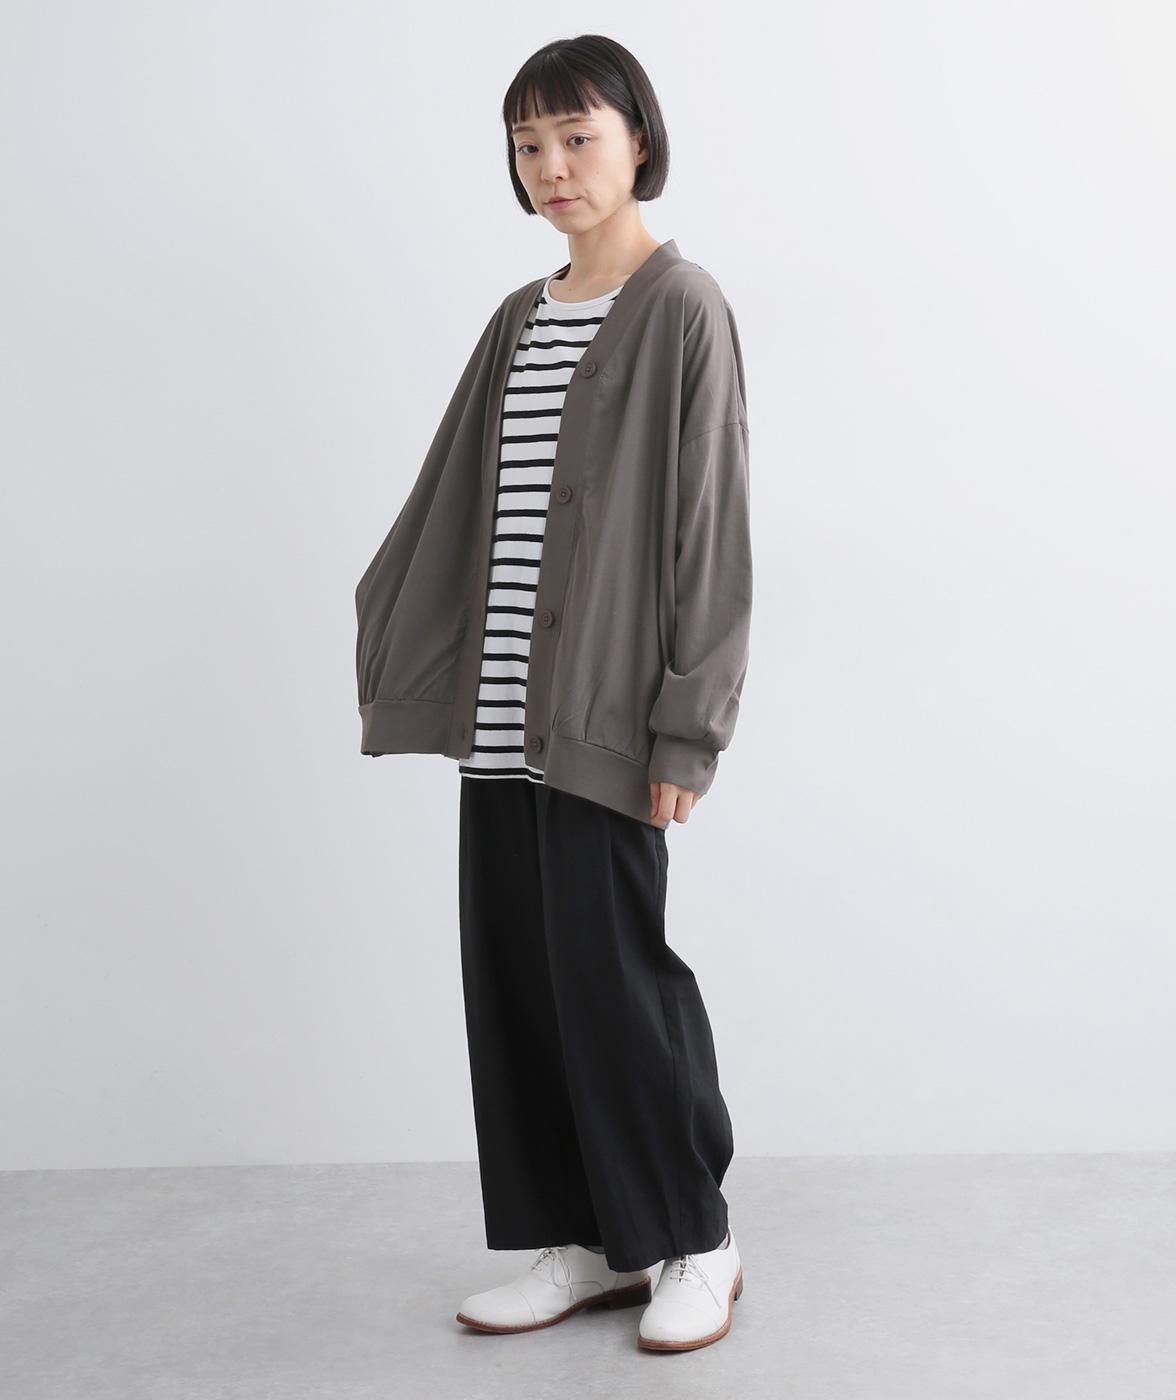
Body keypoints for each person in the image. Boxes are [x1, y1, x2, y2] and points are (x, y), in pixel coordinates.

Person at [353, 33, 752, 1353]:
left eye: (578, 136)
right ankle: (580, 1238)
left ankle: (694, 1236)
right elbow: (457, 503)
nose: (552, 166)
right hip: (501, 713)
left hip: (607, 718)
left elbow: (709, 532)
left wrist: (687, 728)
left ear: (639, 140)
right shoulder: (518, 318)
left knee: (615, 977)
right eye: (528, 144)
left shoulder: (683, 307)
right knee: (519, 983)